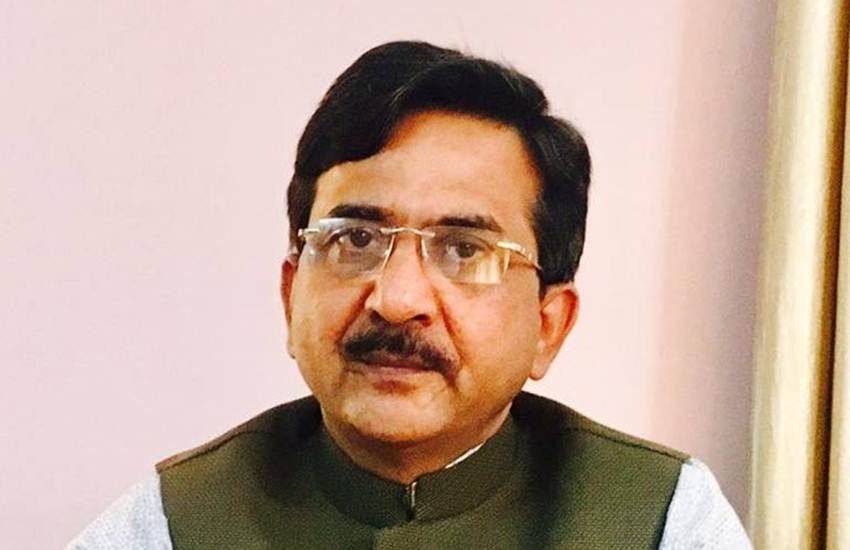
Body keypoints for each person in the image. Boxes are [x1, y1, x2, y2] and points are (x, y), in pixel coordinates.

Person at [68, 41, 751, 549]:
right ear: (291, 294)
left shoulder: (658, 521)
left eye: (464, 250)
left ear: (549, 325)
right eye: (355, 240)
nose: (396, 300)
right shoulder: (174, 523)